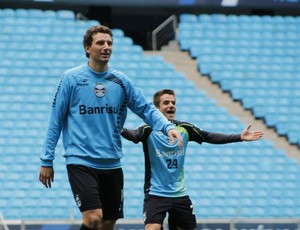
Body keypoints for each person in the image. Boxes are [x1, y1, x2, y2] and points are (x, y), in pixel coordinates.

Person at [39, 26, 182, 230]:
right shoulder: (71, 78)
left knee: (107, 224)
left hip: (112, 163)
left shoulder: (121, 81)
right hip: (81, 160)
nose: (106, 47)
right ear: (88, 48)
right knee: (93, 219)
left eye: (109, 43)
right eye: (100, 43)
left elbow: (146, 108)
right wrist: (47, 159)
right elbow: (55, 120)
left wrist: (167, 127)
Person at [121, 89, 264, 230]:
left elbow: (208, 136)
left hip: (179, 194)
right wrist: (119, 128)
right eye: (166, 103)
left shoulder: (184, 128)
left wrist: (239, 137)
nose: (171, 105)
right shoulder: (148, 129)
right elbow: (133, 134)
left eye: (173, 102)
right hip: (156, 193)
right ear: (157, 108)